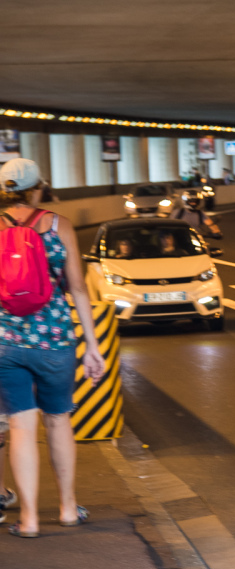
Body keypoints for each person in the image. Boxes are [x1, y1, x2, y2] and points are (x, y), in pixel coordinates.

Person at [0, 158, 106, 537]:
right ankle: (66, 509)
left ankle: (27, 519)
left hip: (6, 342)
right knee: (58, 419)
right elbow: (78, 288)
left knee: (20, 425)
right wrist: (93, 346)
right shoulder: (60, 225)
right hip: (55, 339)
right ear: (38, 187)